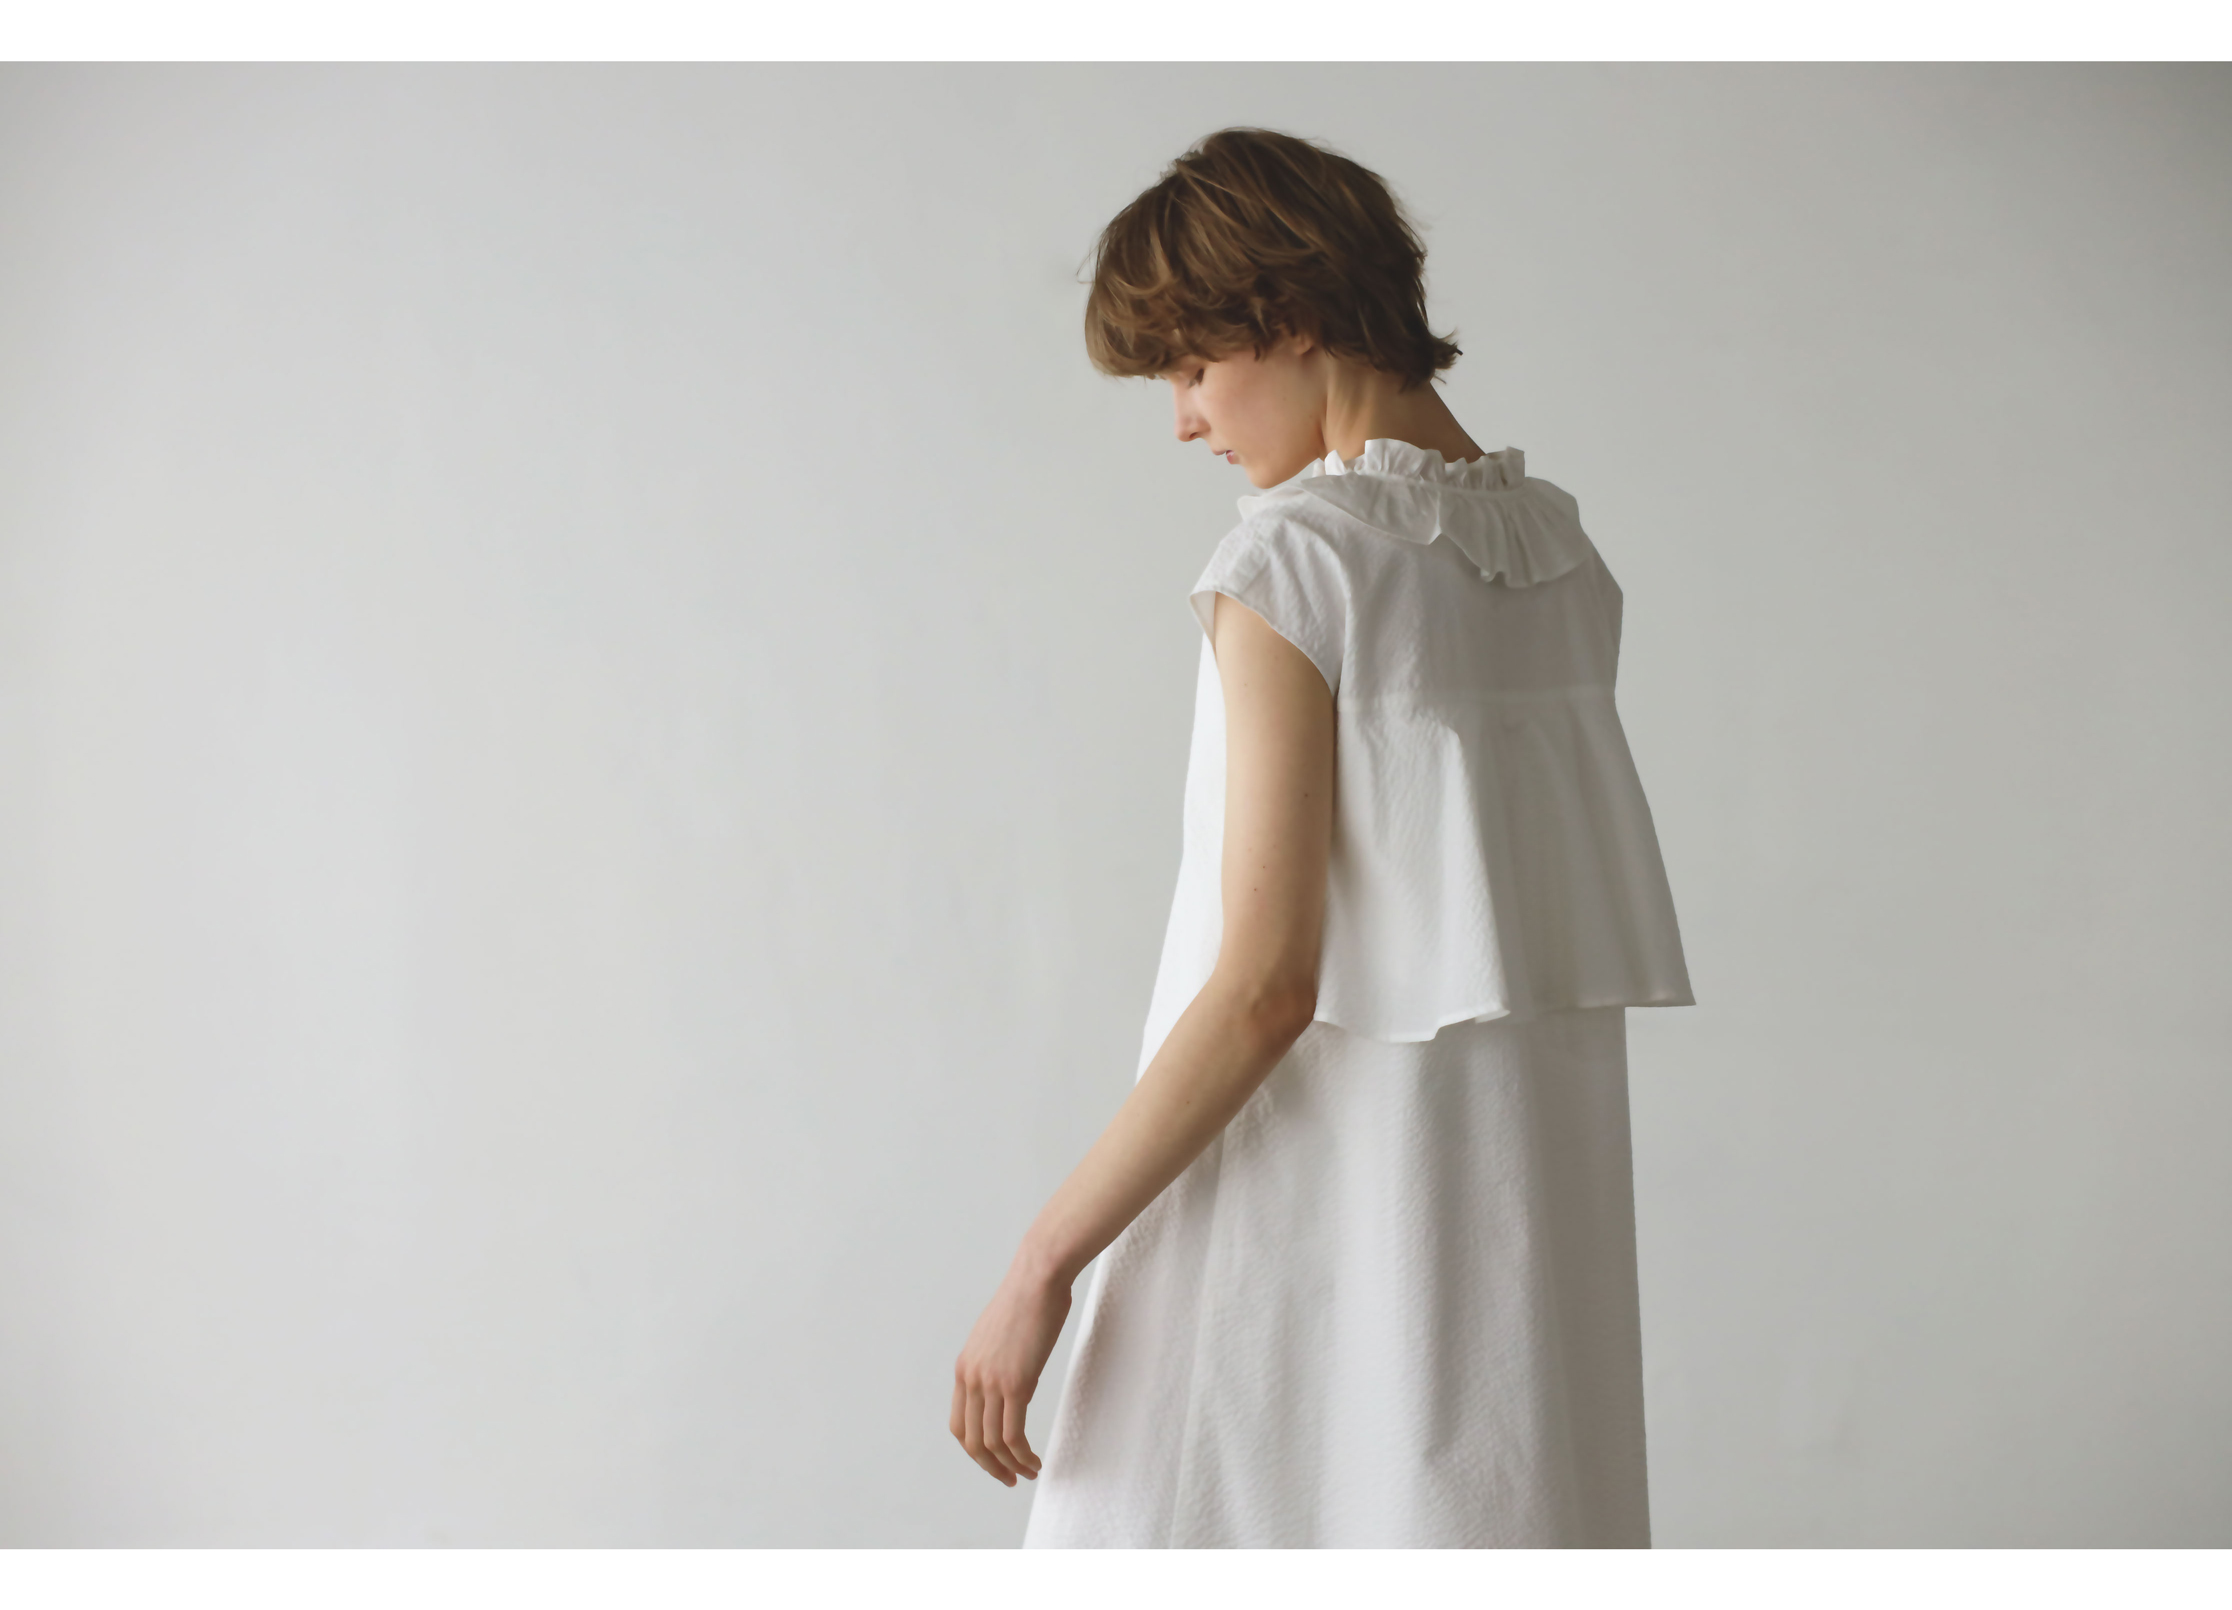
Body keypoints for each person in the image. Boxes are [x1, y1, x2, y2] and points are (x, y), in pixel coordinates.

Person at [950, 126, 1695, 1548]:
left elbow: (1264, 987)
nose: (1184, 421)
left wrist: (1042, 1262)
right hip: (1504, 1252)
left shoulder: (1293, 560)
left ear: (1286, 313)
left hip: (1288, 1217)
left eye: (1188, 366)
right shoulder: (1559, 558)